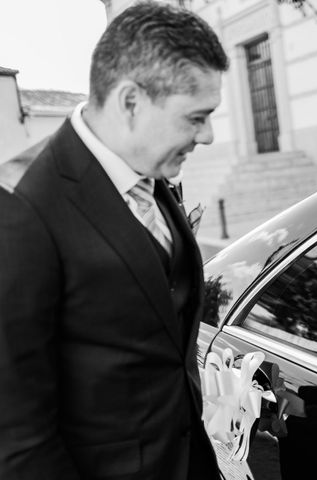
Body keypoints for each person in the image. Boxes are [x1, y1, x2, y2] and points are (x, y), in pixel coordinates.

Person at [0, 2, 228, 479]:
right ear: (130, 103)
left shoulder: (150, 168)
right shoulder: (20, 206)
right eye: (195, 117)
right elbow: (17, 436)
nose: (207, 136)